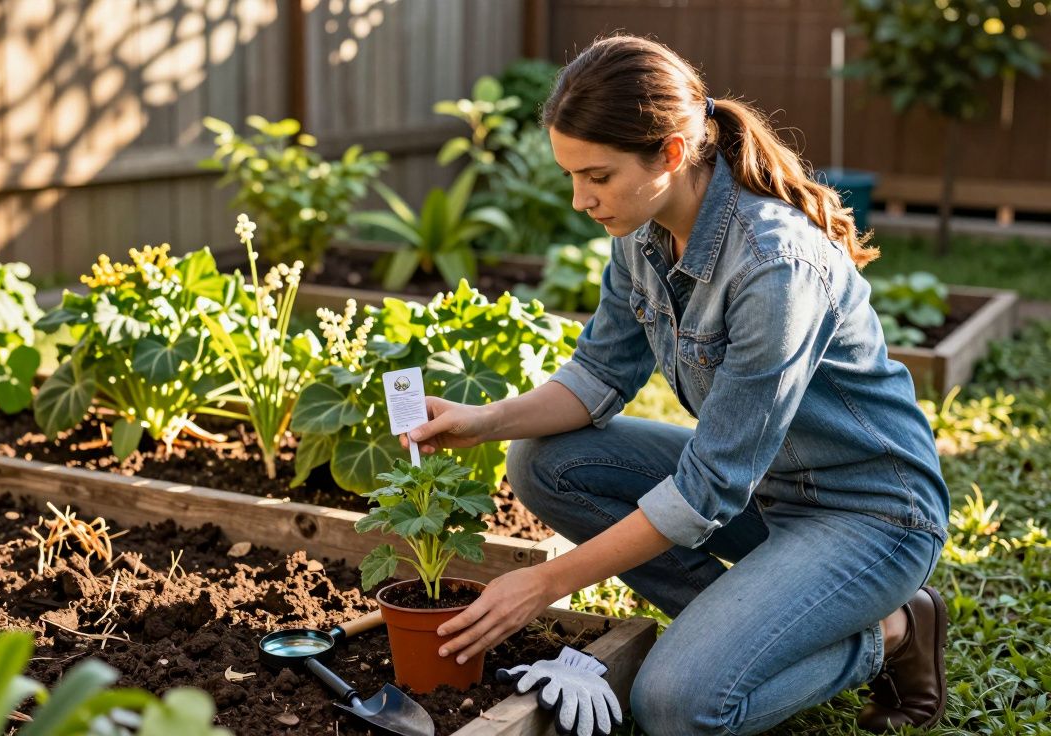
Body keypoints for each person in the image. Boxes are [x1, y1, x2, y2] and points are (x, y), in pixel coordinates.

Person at [403, 35, 950, 736]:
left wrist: (545, 583)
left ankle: (894, 631)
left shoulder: (772, 268)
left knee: (675, 706)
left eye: (596, 176)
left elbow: (708, 487)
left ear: (668, 153)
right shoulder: (641, 230)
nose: (580, 200)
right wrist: (482, 420)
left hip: (868, 516)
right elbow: (599, 374)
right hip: (769, 494)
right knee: (542, 459)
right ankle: (753, 626)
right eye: (572, 176)